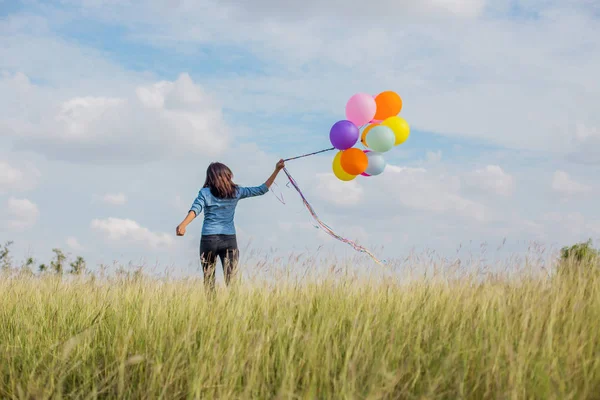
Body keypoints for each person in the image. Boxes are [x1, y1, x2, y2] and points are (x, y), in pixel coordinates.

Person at [176, 159, 285, 292]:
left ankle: (211, 310)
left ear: (210, 177)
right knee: (232, 280)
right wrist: (277, 170)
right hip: (229, 240)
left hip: (209, 239)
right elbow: (262, 189)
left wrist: (183, 224)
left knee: (209, 279)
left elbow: (195, 209)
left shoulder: (205, 192)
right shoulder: (236, 191)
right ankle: (234, 309)